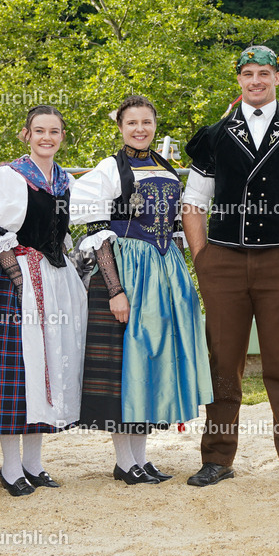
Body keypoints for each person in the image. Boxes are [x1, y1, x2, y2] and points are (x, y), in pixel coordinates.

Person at [182, 45, 279, 488]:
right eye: (248, 74)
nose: (256, 81)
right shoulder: (213, 136)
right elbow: (193, 202)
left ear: (278, 78)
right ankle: (217, 458)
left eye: (264, 73)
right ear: (240, 80)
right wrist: (203, 258)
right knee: (223, 363)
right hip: (222, 261)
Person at [71, 95, 213, 484]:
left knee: (149, 362)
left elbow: (175, 226)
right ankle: (124, 461)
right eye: (132, 123)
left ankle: (141, 457)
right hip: (128, 272)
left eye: (146, 122)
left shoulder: (165, 166)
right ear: (120, 127)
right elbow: (97, 233)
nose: (140, 129)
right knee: (126, 365)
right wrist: (115, 289)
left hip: (163, 273)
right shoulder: (109, 169)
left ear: (154, 125)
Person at [0, 105, 88, 497]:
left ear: (62, 136)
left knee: (46, 368)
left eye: (54, 131)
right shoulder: (9, 176)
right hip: (21, 280)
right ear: (26, 134)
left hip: (55, 279)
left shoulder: (64, 180)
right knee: (16, 371)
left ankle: (34, 463)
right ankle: (10, 468)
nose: (47, 137)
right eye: (39, 130)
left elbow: (62, 236)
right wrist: (18, 281)